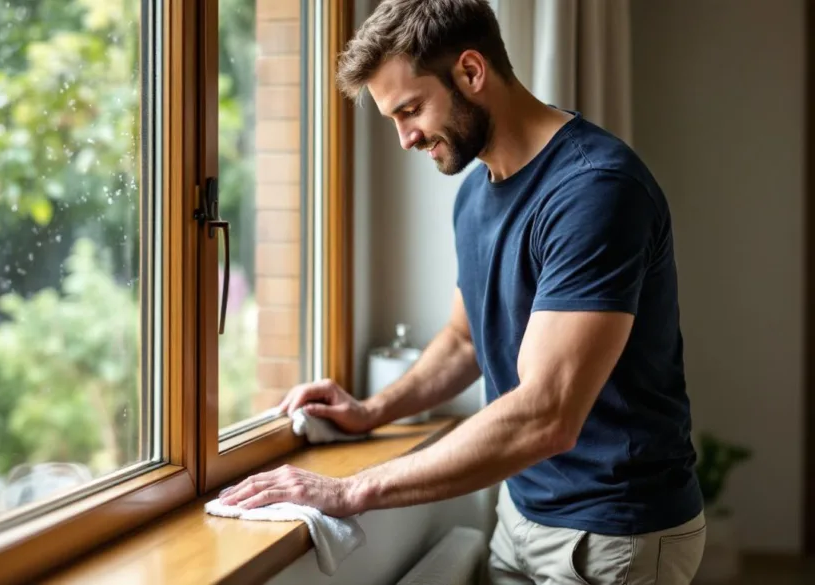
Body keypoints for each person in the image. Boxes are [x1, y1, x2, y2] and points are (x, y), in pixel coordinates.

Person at [217, 0, 706, 582]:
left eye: (411, 109)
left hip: (612, 534)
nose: (404, 138)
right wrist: (370, 411)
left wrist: (350, 490)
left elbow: (546, 415)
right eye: (392, 118)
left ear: (472, 73)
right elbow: (465, 340)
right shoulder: (477, 194)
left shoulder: (594, 190)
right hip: (520, 513)